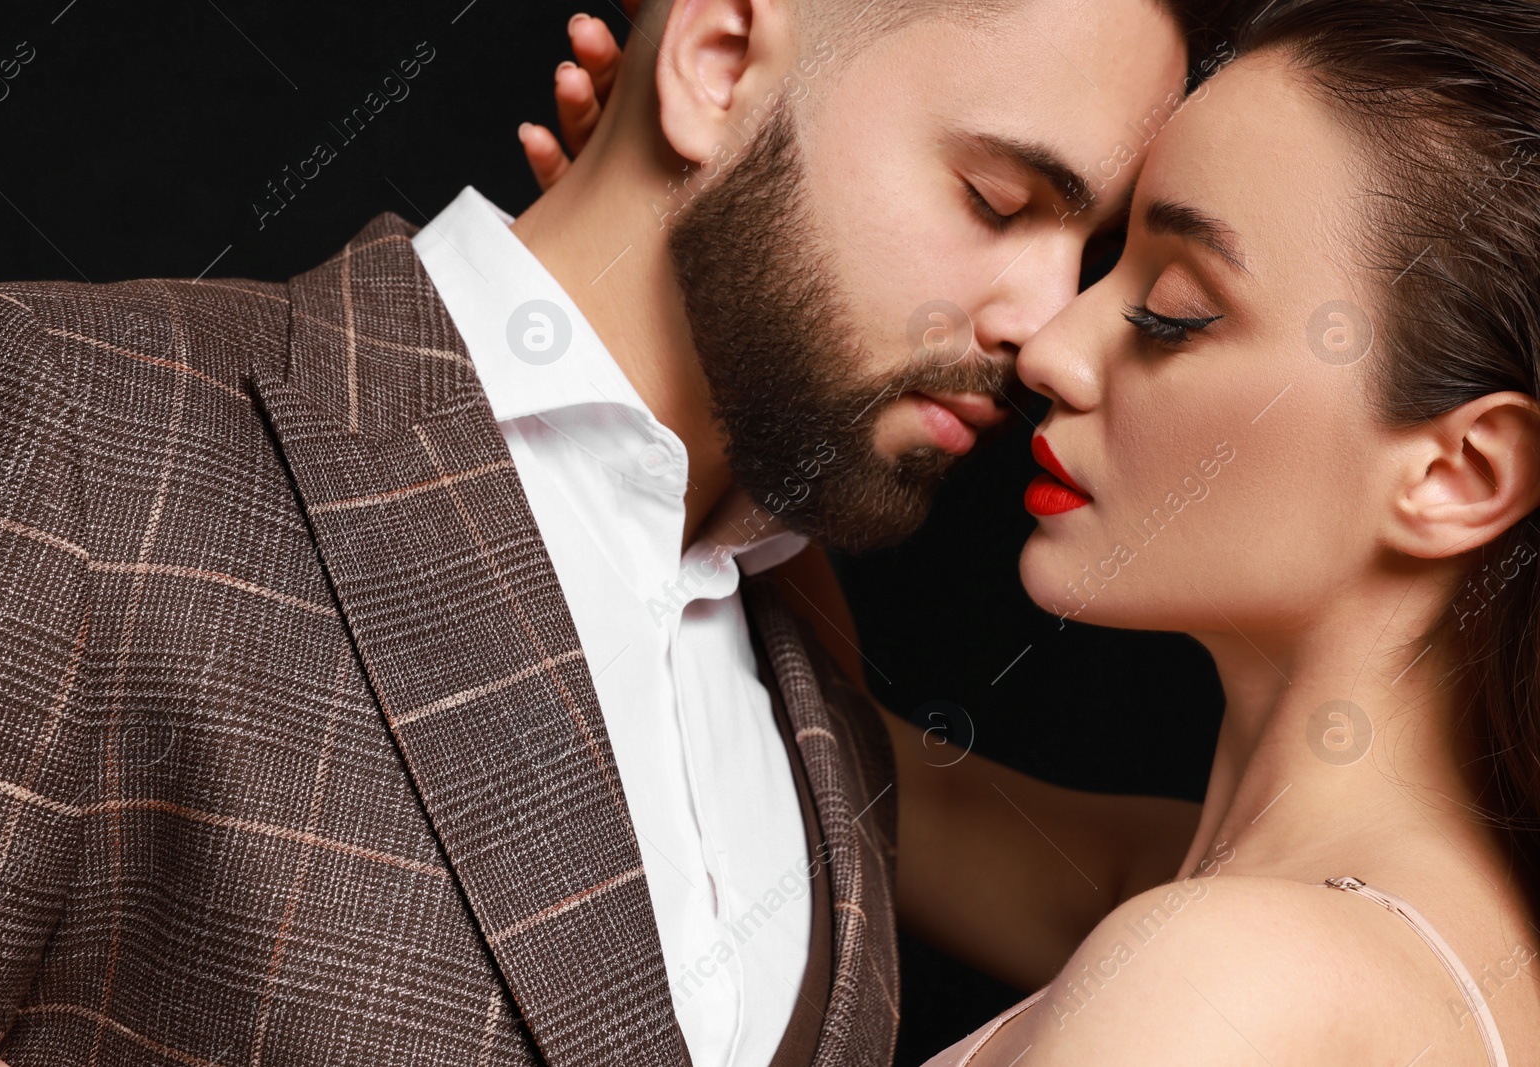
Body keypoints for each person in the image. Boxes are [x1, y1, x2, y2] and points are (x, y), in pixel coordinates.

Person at [0, 1, 1219, 1065]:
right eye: (997, 201)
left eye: (1091, 248)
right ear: (717, 69)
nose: (1047, 326)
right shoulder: (60, 415)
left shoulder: (810, 682)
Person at [536, 0, 1540, 1062]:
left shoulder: (1230, 975)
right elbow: (874, 783)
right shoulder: (1300, 907)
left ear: (1455, 474)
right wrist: (699, 259)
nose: (1049, 348)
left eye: (1172, 309)